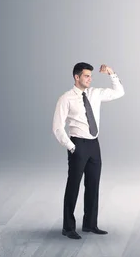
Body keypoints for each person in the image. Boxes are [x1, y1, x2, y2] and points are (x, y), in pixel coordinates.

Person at [52, 62, 125, 239]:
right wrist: (71, 147)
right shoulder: (66, 98)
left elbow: (119, 92)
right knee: (73, 186)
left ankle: (90, 224)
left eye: (91, 76)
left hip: (94, 144)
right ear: (76, 77)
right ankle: (68, 227)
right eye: (86, 76)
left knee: (93, 185)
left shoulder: (95, 93)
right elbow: (57, 127)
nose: (90, 79)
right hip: (78, 144)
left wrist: (111, 73)